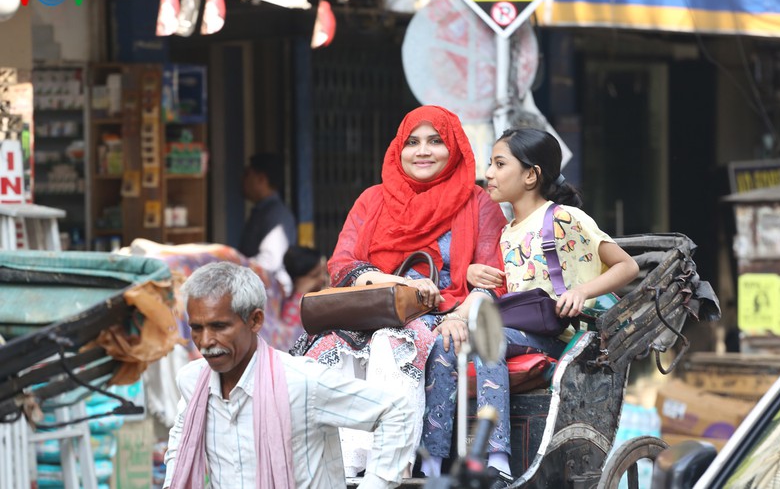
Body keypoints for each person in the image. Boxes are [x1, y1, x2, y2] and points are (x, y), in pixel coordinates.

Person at [294, 105, 508, 476]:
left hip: (444, 314)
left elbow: (494, 282)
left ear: (455, 147)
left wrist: (456, 318)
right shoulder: (373, 200)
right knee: (325, 350)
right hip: (370, 311)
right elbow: (343, 266)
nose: (422, 151)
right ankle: (340, 467)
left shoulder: (478, 203)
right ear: (398, 149)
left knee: (392, 344)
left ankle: (390, 467)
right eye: (412, 142)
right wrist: (402, 285)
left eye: (435, 141)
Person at [421, 128, 640, 487]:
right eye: (490, 164)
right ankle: (432, 463)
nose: (488, 173)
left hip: (559, 336)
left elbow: (626, 266)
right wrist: (473, 273)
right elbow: (504, 291)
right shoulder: (506, 232)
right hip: (516, 331)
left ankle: (497, 460)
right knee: (444, 344)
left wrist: (581, 291)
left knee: (488, 340)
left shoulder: (564, 218)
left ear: (530, 175)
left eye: (499, 164)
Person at [162, 261, 416, 489]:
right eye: (197, 328)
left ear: (255, 321)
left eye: (219, 326)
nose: (205, 341)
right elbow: (180, 442)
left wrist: (376, 482)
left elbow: (396, 412)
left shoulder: (301, 381)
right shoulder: (194, 383)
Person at [239, 152, 297, 296]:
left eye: (247, 174)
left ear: (261, 179)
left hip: (269, 294)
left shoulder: (276, 215)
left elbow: (270, 261)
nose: (242, 180)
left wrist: (233, 269)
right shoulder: (263, 211)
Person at [281, 245, 327, 327]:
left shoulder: (287, 303)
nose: (323, 278)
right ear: (299, 278)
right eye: (316, 275)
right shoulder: (300, 308)